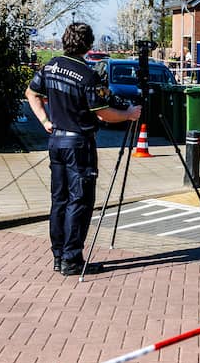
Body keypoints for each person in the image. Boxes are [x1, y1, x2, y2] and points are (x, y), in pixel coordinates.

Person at [25, 23, 141, 276]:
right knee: (80, 201)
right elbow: (104, 113)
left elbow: (31, 93)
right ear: (89, 45)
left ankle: (58, 256)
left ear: (65, 40)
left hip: (56, 141)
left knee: (59, 200)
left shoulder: (50, 66)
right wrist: (129, 114)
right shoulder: (87, 75)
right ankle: (72, 259)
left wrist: (45, 121)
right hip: (79, 144)